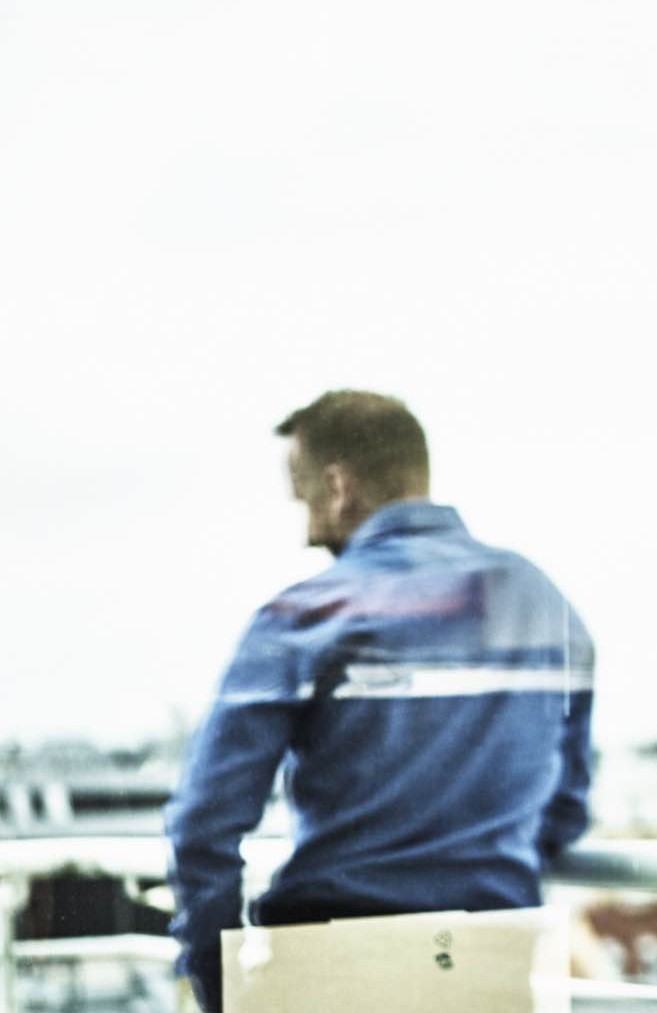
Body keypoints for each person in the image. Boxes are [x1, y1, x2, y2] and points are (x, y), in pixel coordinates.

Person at [164, 390, 595, 1011]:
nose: (306, 529)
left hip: (334, 969)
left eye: (303, 498)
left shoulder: (304, 615)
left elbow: (203, 825)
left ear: (339, 486)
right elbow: (566, 807)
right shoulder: (546, 604)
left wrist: (220, 985)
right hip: (489, 967)